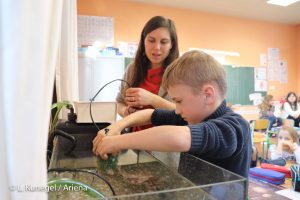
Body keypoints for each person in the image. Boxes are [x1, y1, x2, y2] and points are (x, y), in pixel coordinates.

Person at [93, 50, 252, 178]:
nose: (176, 110)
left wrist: (118, 142)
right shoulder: (193, 118)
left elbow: (178, 137)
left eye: (179, 101)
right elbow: (150, 114)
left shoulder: (232, 127)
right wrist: (115, 127)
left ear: (208, 94)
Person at [116, 16, 179, 168]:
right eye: (151, 40)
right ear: (143, 41)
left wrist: (152, 99)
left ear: (172, 45)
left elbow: (184, 114)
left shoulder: (180, 73)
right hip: (134, 146)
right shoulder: (132, 69)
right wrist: (126, 111)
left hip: (164, 151)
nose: (157, 47)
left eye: (163, 42)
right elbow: (119, 102)